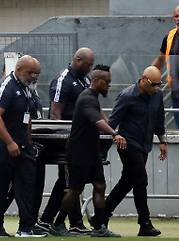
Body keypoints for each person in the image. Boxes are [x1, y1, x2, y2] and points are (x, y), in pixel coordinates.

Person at [0, 55, 47, 238]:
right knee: (0, 185)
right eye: (31, 72)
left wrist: (28, 143)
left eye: (37, 73)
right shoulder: (7, 85)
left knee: (27, 184)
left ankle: (26, 227)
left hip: (22, 145)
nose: (34, 76)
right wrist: (9, 142)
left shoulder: (28, 89)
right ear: (18, 70)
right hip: (2, 144)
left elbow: (28, 119)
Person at [61, 65, 125, 237]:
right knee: (75, 189)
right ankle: (58, 223)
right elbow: (97, 121)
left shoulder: (93, 98)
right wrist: (114, 134)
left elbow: (101, 116)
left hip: (91, 151)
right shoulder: (86, 98)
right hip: (79, 152)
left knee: (99, 185)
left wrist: (112, 128)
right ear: (96, 81)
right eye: (107, 82)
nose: (109, 86)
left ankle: (99, 226)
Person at [37, 48, 95, 235]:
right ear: (78, 60)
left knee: (67, 181)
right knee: (70, 181)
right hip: (68, 140)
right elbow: (55, 112)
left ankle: (48, 220)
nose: (90, 68)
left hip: (79, 139)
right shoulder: (63, 80)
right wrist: (63, 141)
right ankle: (72, 222)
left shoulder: (83, 80)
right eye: (88, 64)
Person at [105, 66, 168, 237]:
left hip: (144, 144)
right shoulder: (127, 96)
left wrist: (162, 141)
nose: (156, 88)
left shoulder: (157, 95)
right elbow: (112, 122)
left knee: (127, 182)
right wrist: (115, 136)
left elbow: (159, 118)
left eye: (158, 85)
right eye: (153, 85)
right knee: (141, 180)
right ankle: (145, 223)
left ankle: (101, 216)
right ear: (143, 79)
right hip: (128, 144)